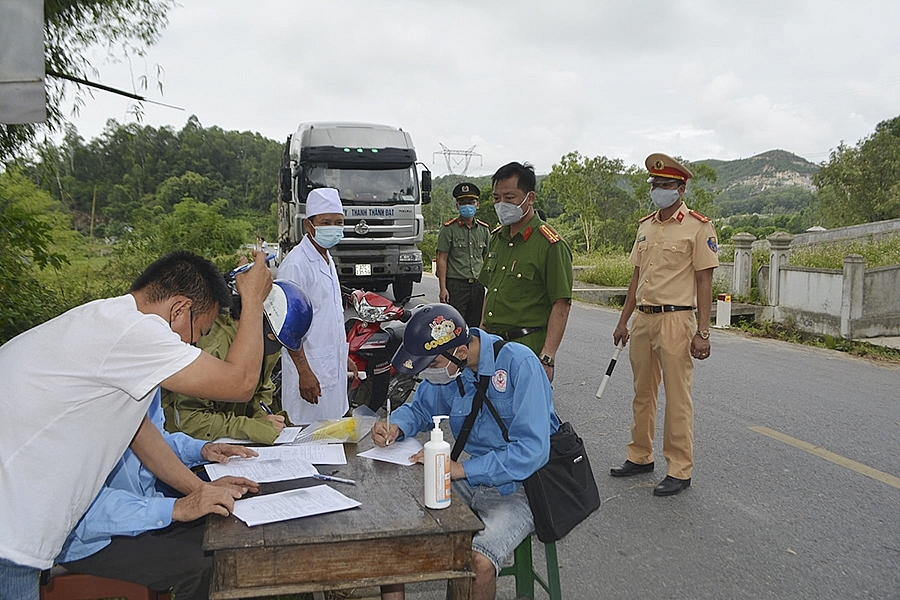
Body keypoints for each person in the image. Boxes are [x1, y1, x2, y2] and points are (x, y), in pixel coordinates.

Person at [0, 249, 271, 600]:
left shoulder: (107, 323)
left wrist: (197, 491)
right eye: (197, 335)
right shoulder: (136, 332)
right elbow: (241, 383)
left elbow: (141, 435)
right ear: (178, 310)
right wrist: (252, 301)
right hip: (11, 530)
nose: (191, 347)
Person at [372, 303, 559, 600]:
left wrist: (462, 470)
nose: (428, 374)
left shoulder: (519, 364)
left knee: (479, 561)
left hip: (522, 487)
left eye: (430, 365)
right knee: (395, 530)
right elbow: (420, 408)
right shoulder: (449, 370)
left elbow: (533, 450)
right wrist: (395, 426)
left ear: (459, 352)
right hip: (470, 478)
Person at [56, 390, 259, 600]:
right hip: (90, 539)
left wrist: (201, 450)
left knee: (229, 531)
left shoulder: (143, 380)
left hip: (141, 511)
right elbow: (83, 509)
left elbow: (155, 440)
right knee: (203, 565)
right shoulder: (78, 399)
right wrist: (176, 508)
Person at [609, 153, 719, 497]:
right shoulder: (646, 226)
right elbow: (636, 277)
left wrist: (703, 332)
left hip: (676, 319)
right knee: (642, 393)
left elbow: (704, 282)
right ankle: (640, 455)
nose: (659, 190)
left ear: (681, 188)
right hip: (643, 318)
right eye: (655, 185)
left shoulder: (698, 227)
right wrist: (623, 320)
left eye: (666, 185)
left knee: (677, 397)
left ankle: (679, 468)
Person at [163, 282, 313, 445]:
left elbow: (261, 392)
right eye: (274, 340)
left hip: (228, 444)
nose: (276, 349)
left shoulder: (265, 343)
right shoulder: (213, 348)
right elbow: (189, 420)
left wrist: (262, 418)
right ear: (259, 319)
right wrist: (249, 427)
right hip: (184, 446)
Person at [479, 162, 573, 382]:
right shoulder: (497, 239)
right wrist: (481, 335)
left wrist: (547, 358)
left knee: (525, 415)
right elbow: (491, 291)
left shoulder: (550, 244)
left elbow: (561, 304)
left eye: (509, 198)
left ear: (529, 198)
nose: (501, 204)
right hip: (492, 346)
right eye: (496, 198)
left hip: (527, 349)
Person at [278, 187, 354, 424]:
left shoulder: (327, 258)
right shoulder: (296, 265)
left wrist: (344, 356)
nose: (334, 227)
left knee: (332, 436)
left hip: (331, 369)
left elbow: (329, 318)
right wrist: (304, 372)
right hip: (310, 373)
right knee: (308, 442)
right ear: (309, 225)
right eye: (326, 222)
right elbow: (287, 326)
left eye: (339, 222)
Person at [436, 182, 491, 327]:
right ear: (457, 206)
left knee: (475, 326)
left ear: (477, 205)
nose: (467, 206)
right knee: (455, 326)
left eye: (471, 202)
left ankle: (471, 350)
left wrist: (490, 285)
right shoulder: (449, 229)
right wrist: (443, 288)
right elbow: (442, 258)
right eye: (463, 203)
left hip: (478, 286)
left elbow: (487, 258)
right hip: (456, 285)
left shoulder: (484, 230)